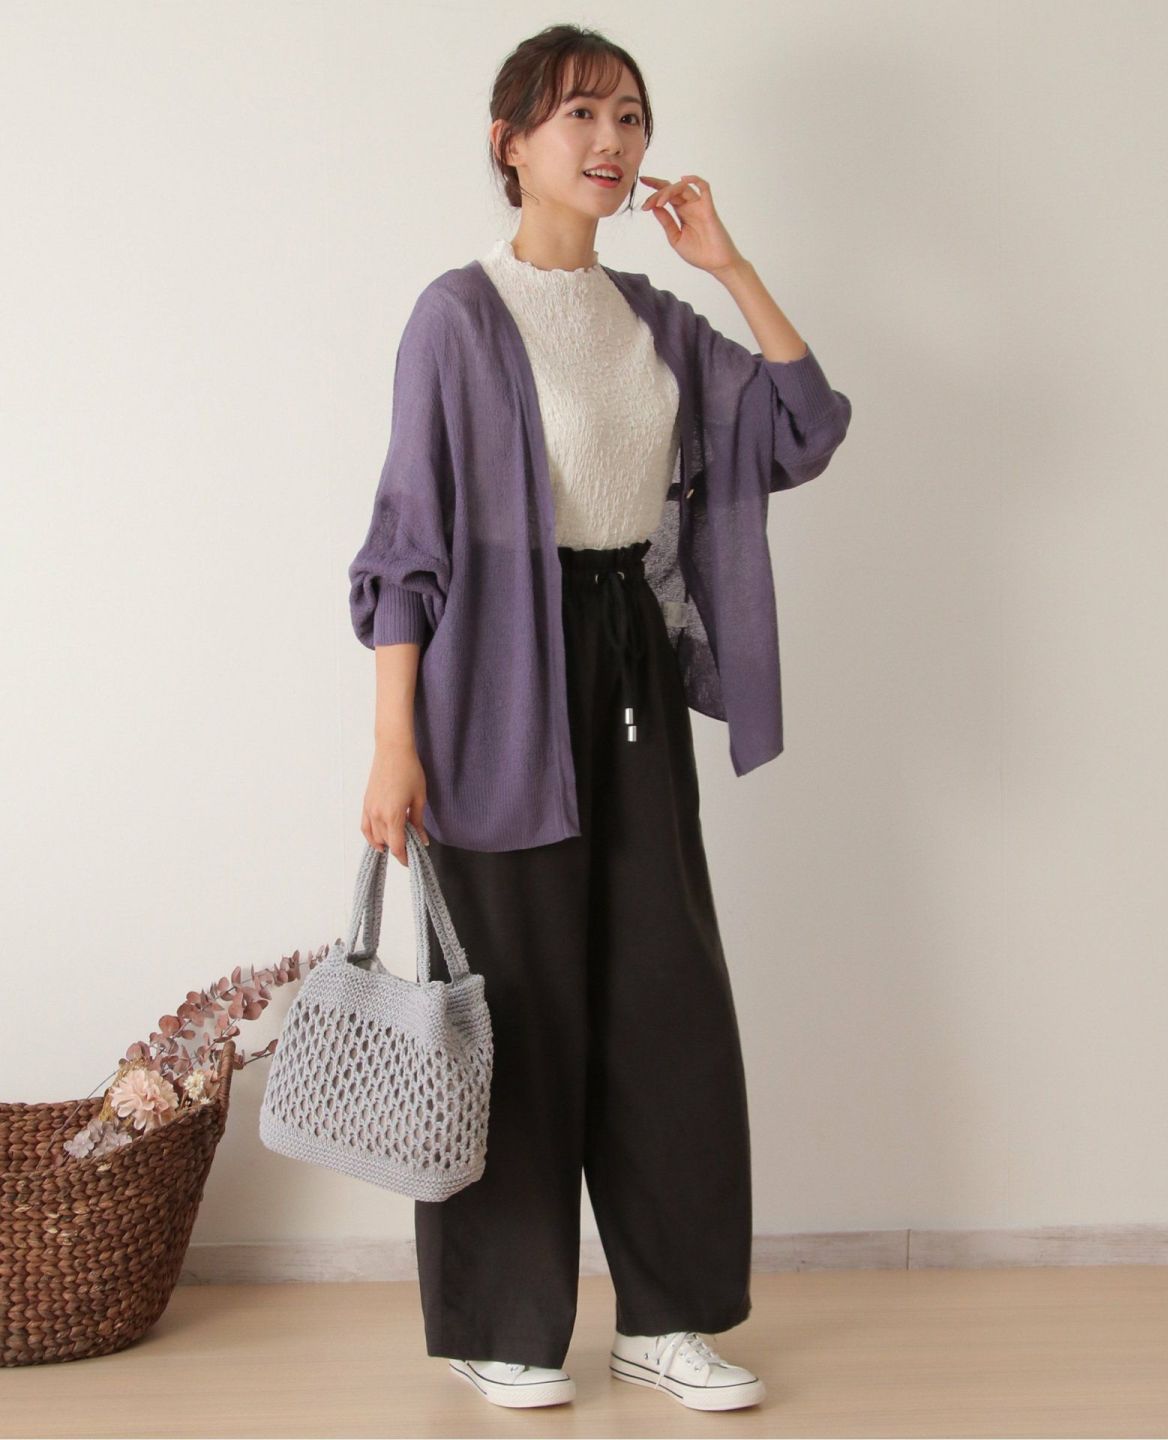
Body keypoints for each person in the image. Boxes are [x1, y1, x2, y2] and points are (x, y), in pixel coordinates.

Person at [349, 23, 852, 1413]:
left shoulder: (656, 318)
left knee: (664, 1002)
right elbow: (405, 547)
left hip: (628, 669)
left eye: (629, 115)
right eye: (578, 114)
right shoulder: (458, 318)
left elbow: (804, 425)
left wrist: (728, 265)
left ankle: (667, 1318)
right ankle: (501, 1326)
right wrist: (393, 741)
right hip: (495, 686)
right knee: (512, 1011)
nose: (612, 140)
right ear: (510, 143)